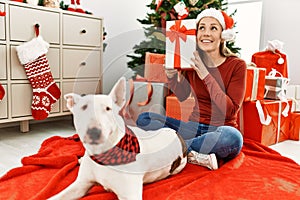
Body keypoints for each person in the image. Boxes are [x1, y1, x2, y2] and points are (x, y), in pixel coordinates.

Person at [136, 8, 247, 170]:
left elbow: (230, 111)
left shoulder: (237, 65)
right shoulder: (191, 60)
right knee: (144, 119)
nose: (206, 33)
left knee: (232, 139)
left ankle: (170, 149)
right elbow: (182, 95)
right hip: (192, 127)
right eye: (201, 28)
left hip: (220, 129)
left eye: (213, 28)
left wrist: (205, 74)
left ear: (223, 36)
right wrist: (172, 76)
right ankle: (192, 152)